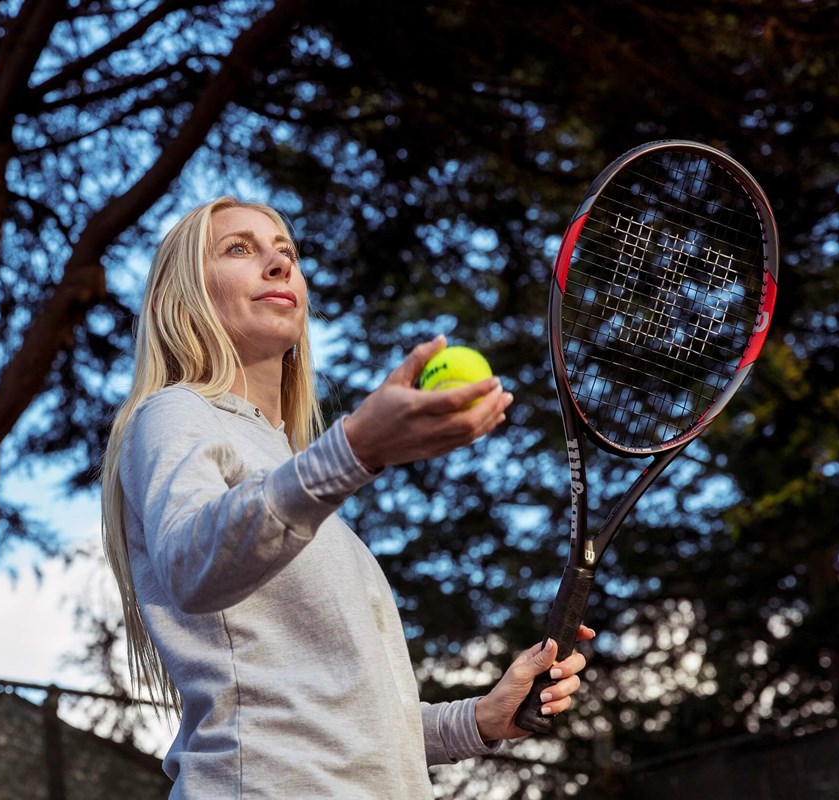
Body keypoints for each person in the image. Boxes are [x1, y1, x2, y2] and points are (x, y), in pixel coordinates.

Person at [100, 197, 594, 798]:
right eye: (239, 249)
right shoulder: (174, 412)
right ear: (182, 298)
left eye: (287, 252)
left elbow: (344, 717)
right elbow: (189, 566)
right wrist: (355, 448)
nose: (279, 265)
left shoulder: (289, 470)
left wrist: (480, 718)